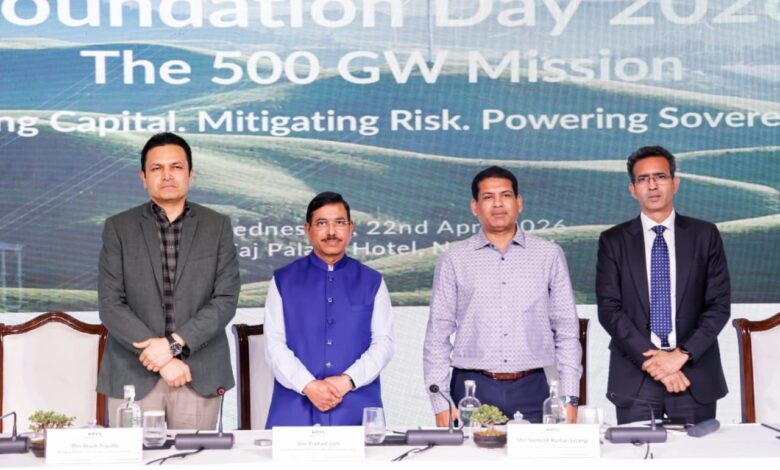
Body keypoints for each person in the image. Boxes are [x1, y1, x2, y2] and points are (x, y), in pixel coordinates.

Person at [97, 132, 240, 429]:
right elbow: (111, 304)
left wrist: (172, 345)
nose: (166, 175)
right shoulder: (119, 228)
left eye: (176, 167)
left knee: (193, 454)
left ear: (190, 174)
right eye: (156, 168)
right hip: (133, 373)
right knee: (132, 455)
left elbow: (225, 300)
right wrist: (161, 358)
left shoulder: (217, 226)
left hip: (197, 373)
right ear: (143, 177)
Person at [424, 166, 581, 425]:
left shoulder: (548, 254)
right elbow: (437, 336)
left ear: (519, 203)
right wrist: (440, 402)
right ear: (474, 206)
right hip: (471, 389)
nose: (498, 204)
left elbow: (566, 330)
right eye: (488, 197)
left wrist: (570, 397)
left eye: (506, 195)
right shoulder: (454, 258)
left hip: (534, 388)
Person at [596, 145, 730, 424]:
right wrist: (656, 363)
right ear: (632, 189)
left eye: (660, 176)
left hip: (693, 375)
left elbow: (718, 305)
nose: (652, 185)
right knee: (637, 452)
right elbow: (609, 309)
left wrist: (680, 356)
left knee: (700, 451)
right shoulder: (613, 240)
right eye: (643, 179)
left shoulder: (705, 234)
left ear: (675, 183)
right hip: (636, 377)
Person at [264, 192, 395, 427]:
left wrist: (347, 381)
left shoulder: (372, 281)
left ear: (351, 228)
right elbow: (274, 344)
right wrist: (308, 385)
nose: (332, 231)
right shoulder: (283, 280)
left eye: (339, 222)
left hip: (356, 403)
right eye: (322, 223)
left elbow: (384, 343)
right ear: (308, 229)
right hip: (295, 405)